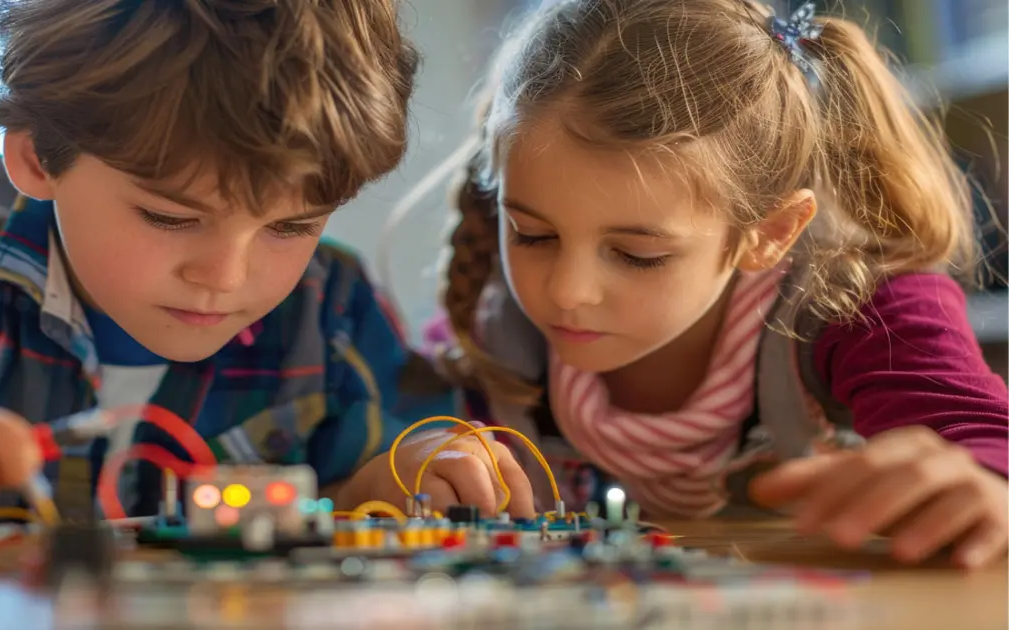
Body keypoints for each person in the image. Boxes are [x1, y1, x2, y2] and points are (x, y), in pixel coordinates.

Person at [419, 0, 1008, 568]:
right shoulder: (486, 333)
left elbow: (984, 442)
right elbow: (397, 452)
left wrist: (987, 483)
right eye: (532, 234)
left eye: (636, 254)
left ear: (770, 233)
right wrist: (414, 463)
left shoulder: (857, 306)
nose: (569, 290)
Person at [0, 0, 431, 530]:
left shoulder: (334, 307)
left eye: (291, 227)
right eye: (170, 217)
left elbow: (369, 477)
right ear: (38, 157)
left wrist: (407, 475)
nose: (225, 277)